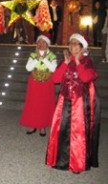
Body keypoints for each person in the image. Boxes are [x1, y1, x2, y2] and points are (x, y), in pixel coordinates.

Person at [46, 33, 100, 173]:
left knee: (77, 133)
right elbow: (56, 79)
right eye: (71, 43)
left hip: (79, 102)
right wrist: (65, 62)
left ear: (82, 47)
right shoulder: (65, 60)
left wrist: (77, 61)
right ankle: (61, 160)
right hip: (64, 100)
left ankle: (77, 163)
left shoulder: (87, 61)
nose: (72, 46)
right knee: (61, 130)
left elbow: (86, 77)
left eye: (75, 43)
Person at [20, 34, 57, 136]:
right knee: (33, 104)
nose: (41, 44)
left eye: (43, 42)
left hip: (46, 83)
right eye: (39, 42)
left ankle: (42, 126)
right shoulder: (33, 54)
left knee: (44, 104)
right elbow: (28, 68)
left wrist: (44, 58)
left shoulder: (52, 56)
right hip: (34, 83)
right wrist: (37, 58)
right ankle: (32, 124)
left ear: (47, 44)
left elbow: (53, 69)